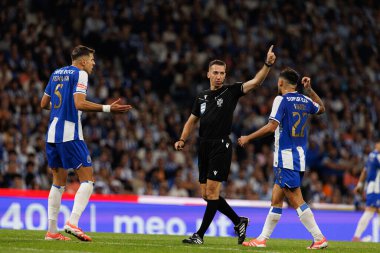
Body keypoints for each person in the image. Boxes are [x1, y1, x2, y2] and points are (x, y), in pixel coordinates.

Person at [174, 45, 276, 244]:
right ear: (208, 74)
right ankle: (239, 221)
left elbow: (255, 82)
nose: (219, 76)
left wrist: (267, 65)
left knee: (212, 192)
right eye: (216, 73)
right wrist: (182, 139)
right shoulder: (201, 96)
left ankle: (200, 235)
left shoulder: (231, 91)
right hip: (203, 146)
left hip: (221, 146)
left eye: (222, 73)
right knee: (206, 194)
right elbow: (191, 121)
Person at [40, 45, 132, 241]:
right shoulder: (80, 74)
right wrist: (108, 109)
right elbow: (80, 103)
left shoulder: (56, 73)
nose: (93, 63)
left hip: (52, 134)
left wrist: (60, 108)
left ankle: (52, 231)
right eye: (91, 60)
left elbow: (43, 104)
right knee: (88, 180)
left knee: (58, 183)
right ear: (82, 61)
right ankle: (72, 222)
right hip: (70, 133)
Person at [238, 68, 328, 249]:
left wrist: (248, 138)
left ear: (280, 83)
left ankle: (319, 238)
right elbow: (322, 108)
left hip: (285, 156)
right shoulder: (305, 99)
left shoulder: (281, 99)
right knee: (276, 199)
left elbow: (272, 127)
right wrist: (309, 90)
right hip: (299, 156)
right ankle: (262, 239)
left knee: (296, 199)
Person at [352, 140, 380, 242]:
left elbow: (364, 171)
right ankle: (356, 237)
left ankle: (357, 237)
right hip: (375, 189)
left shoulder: (370, 156)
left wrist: (360, 185)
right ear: (377, 145)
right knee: (370, 210)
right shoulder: (377, 156)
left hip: (373, 188)